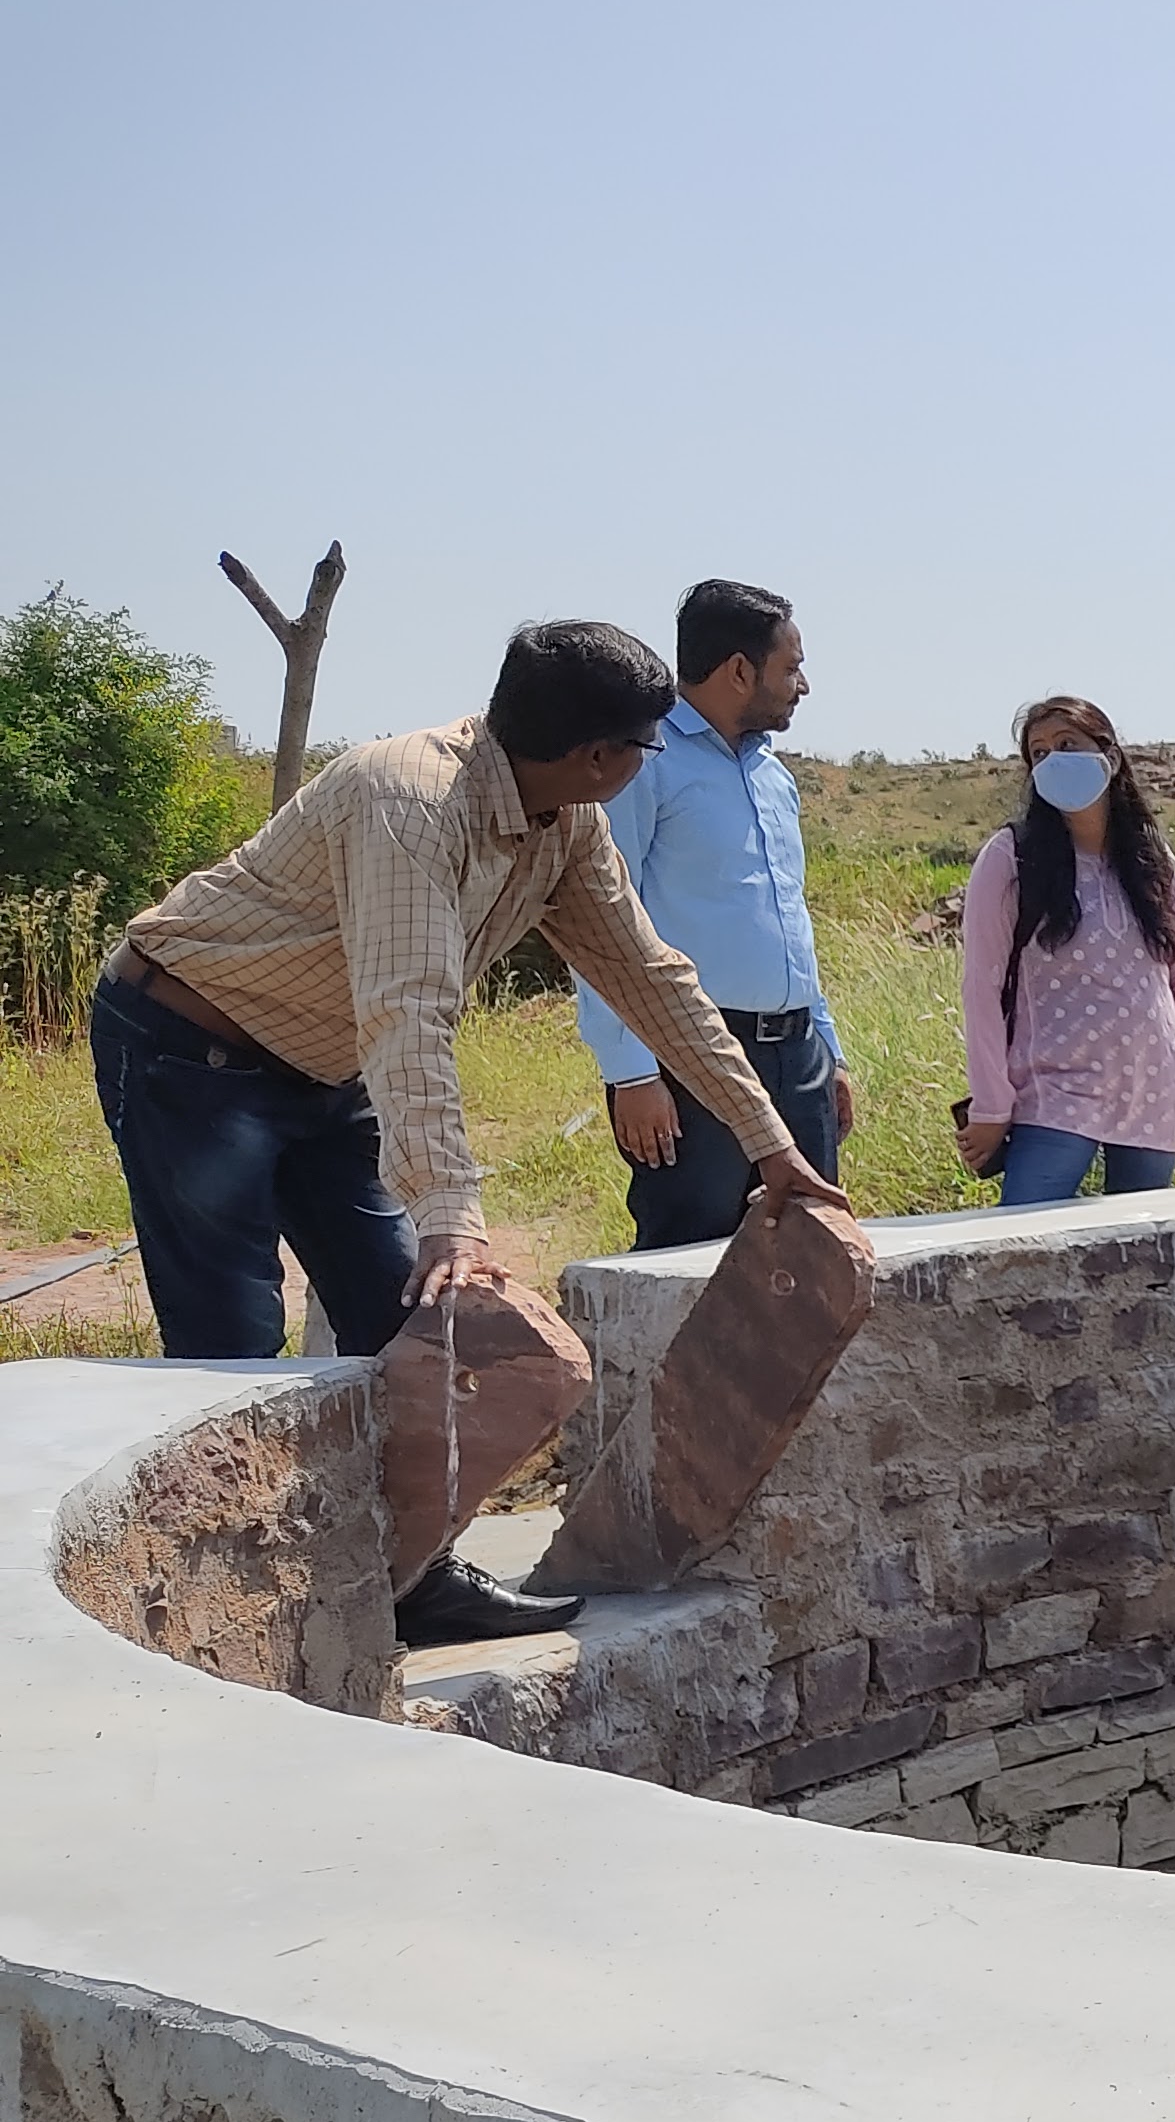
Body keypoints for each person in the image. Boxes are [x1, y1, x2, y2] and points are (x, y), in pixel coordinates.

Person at [89, 620, 846, 1643]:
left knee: (402, 1324)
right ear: (599, 756)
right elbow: (408, 1007)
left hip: (324, 1064)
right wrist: (454, 1213)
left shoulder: (562, 821)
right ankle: (229, 1622)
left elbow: (648, 977)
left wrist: (769, 1142)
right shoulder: (410, 799)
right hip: (193, 1051)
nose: (639, 767)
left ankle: (407, 1582)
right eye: (642, 749)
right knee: (233, 1337)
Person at [577, 580, 850, 1249]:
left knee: (808, 1253)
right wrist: (632, 1070)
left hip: (797, 1055)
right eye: (790, 668)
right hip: (689, 1054)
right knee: (689, 1258)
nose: (803, 685)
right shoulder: (643, 766)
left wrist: (826, 1048)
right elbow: (599, 920)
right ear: (738, 671)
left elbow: (788, 918)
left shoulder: (773, 777)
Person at [952, 699, 1175, 1205]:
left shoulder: (1151, 860)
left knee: (1139, 1262)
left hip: (1155, 1086)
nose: (1053, 761)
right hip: (1056, 1092)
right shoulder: (1011, 857)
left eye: (1067, 746)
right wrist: (992, 1107)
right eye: (1039, 753)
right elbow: (981, 988)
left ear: (1111, 757)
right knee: (1027, 1243)